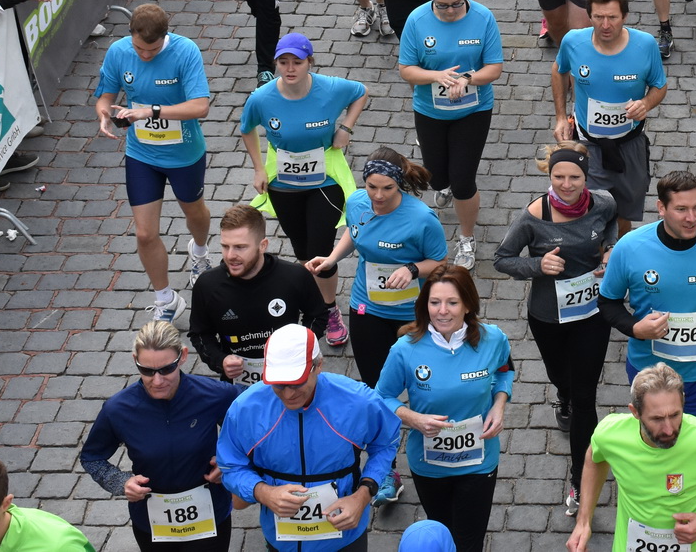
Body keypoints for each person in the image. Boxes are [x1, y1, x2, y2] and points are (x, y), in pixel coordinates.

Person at [495, 143, 618, 515]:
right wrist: (536, 266)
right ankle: (562, 393)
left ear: (587, 178)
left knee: (585, 397)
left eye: (575, 178)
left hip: (592, 312)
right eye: (558, 177)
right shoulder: (533, 216)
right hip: (548, 316)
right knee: (560, 377)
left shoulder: (603, 203)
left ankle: (580, 479)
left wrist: (610, 248)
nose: (566, 184)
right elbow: (502, 259)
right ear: (549, 177)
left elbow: (613, 224)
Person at [217, 323, 402, 544]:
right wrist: (263, 493)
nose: (287, 394)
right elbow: (231, 466)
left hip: (345, 539)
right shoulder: (245, 409)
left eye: (297, 383)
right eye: (278, 384)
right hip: (280, 542)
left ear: (318, 365)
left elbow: (385, 443)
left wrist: (363, 495)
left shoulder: (358, 400)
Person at [375, 265, 515, 552]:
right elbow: (382, 397)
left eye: (452, 302)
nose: (442, 311)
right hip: (429, 465)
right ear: (424, 305)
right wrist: (412, 418)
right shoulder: (404, 349)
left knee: (469, 541)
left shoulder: (493, 339)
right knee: (440, 533)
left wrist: (499, 405)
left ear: (467, 305)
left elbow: (504, 371)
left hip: (479, 461)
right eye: (434, 302)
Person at [238, 32, 367, 343]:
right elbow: (247, 129)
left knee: (320, 250)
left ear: (310, 62)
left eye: (297, 61)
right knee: (301, 249)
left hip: (325, 180)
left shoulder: (331, 88)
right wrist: (258, 168)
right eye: (283, 62)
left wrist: (346, 128)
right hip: (284, 183)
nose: (290, 68)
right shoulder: (262, 98)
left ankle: (328, 310)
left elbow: (361, 93)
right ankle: (311, 300)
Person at [598, 171, 696, 422]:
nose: (692, 218)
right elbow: (607, 302)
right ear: (661, 207)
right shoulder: (630, 247)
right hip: (650, 373)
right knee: (658, 446)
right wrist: (635, 328)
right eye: (681, 209)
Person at [94, 4, 214, 323]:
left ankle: (200, 252)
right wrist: (104, 113)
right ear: (130, 34)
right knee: (145, 234)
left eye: (152, 50)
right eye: (138, 49)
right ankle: (166, 299)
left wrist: (152, 111)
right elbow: (105, 95)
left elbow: (201, 106)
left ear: (166, 36)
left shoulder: (185, 51)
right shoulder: (119, 52)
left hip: (184, 153)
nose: (144, 56)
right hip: (141, 154)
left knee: (194, 212)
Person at [79, 321, 242, 552]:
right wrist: (121, 482)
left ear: (183, 356)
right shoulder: (118, 409)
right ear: (135, 359)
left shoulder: (213, 394)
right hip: (152, 524)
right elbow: (92, 457)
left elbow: (257, 424)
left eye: (166, 369)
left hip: (211, 516)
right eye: (146, 370)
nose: (157, 380)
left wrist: (231, 462)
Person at [305, 149, 447, 412]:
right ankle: (384, 431)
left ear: (399, 183)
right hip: (367, 305)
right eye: (372, 186)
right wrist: (332, 258)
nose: (378, 196)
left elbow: (440, 262)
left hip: (412, 312)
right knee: (374, 382)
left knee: (422, 380)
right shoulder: (357, 202)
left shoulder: (422, 219)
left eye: (387, 188)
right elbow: (354, 232)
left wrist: (412, 270)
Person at [568, 363, 696, 552]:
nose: (669, 429)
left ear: (682, 402)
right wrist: (583, 522)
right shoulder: (611, 434)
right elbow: (594, 457)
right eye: (657, 419)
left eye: (675, 415)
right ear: (635, 412)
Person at [398, 0, 505, 269]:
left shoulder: (483, 18)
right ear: (431, 0)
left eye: (456, 4)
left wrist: (468, 79)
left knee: (462, 181)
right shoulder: (417, 21)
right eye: (442, 5)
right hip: (430, 111)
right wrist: (437, 75)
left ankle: (467, 239)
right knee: (436, 177)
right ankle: (443, 182)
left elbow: (494, 68)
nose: (449, 11)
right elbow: (406, 69)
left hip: (473, 110)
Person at [552, 0, 666, 233]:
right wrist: (561, 116)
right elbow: (559, 71)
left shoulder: (645, 45)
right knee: (590, 214)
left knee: (625, 214)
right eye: (598, 17)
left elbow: (660, 85)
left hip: (630, 144)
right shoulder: (573, 42)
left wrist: (645, 103)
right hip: (588, 144)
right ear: (589, 15)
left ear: (625, 15)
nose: (605, 25)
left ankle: (618, 260)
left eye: (612, 17)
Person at [188, 204, 333, 383]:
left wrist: (298, 347)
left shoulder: (294, 276)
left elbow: (318, 315)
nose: (230, 255)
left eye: (240, 247)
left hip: (289, 376)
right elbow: (200, 334)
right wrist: (221, 360)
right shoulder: (208, 285)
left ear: (262, 245)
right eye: (225, 246)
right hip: (239, 383)